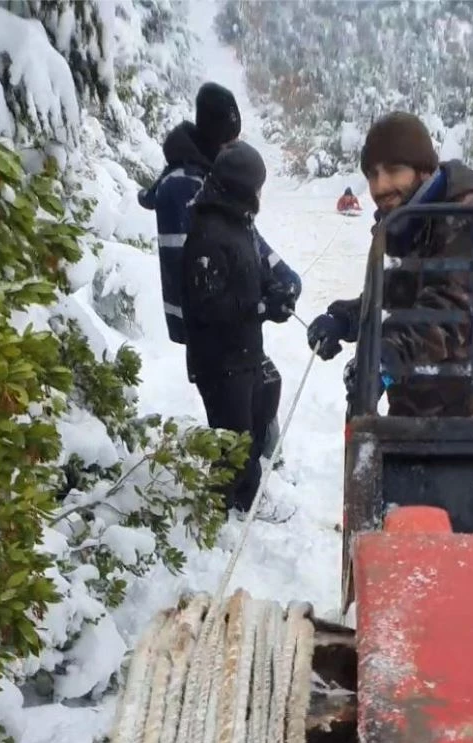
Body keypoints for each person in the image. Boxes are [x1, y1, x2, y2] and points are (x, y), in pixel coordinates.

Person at [307, 111, 473, 419]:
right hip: (425, 418)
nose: (380, 186)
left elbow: (446, 316)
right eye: (372, 174)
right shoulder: (411, 219)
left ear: (425, 170)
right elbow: (397, 300)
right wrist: (347, 320)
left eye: (393, 170)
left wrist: (384, 357)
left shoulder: (469, 219)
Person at [139, 82, 301, 462]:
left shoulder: (218, 184)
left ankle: (260, 467)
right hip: (211, 333)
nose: (234, 146)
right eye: (230, 139)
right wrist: (258, 303)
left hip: (233, 326)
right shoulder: (187, 189)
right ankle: (241, 486)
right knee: (234, 425)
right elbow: (205, 273)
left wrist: (282, 276)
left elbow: (248, 243)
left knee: (266, 385)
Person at [181, 142, 295, 523]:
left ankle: (239, 493)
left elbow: (248, 274)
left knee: (264, 397)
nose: (261, 195)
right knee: (235, 442)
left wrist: (272, 290)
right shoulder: (208, 234)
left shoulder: (238, 222)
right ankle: (231, 509)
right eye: (257, 187)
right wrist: (261, 309)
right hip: (218, 359)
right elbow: (207, 307)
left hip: (243, 351)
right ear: (241, 188)